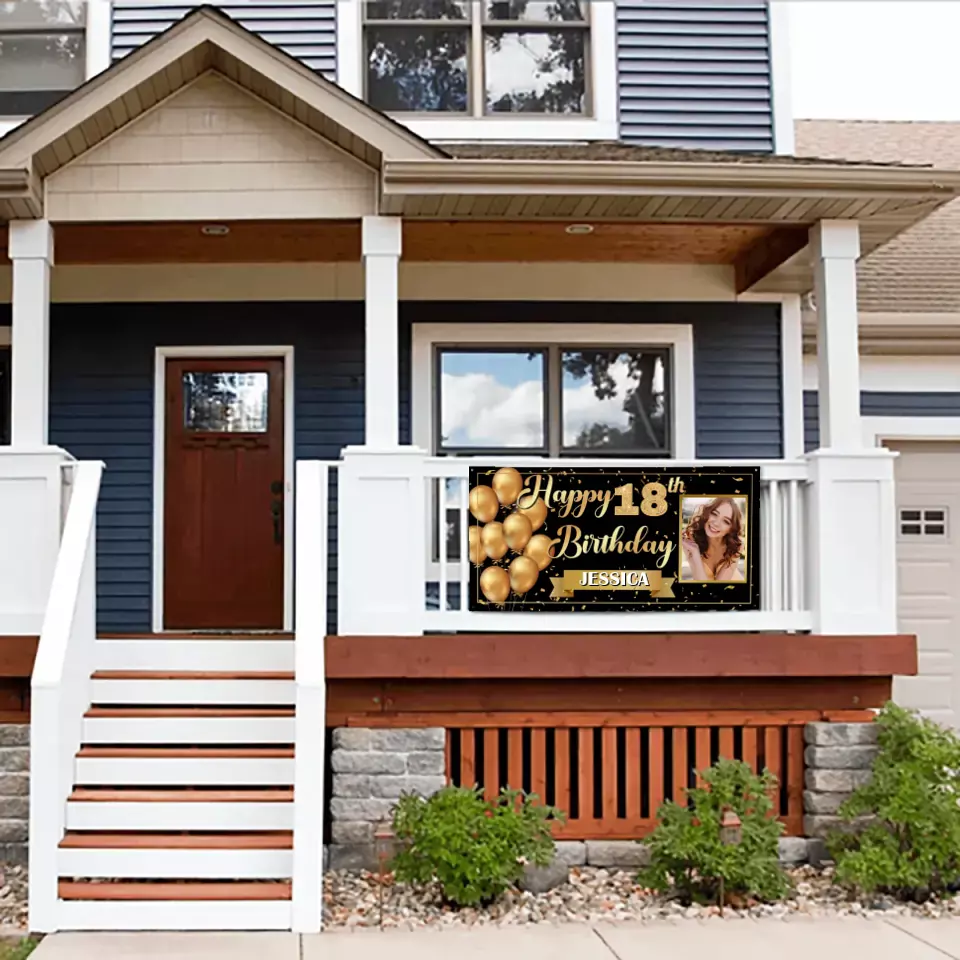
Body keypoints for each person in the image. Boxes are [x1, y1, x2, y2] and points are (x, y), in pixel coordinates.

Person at [680, 497, 745, 582]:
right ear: (706, 513)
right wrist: (695, 552)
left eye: (726, 521)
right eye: (714, 514)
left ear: (731, 529)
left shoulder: (736, 546)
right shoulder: (692, 540)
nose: (716, 523)